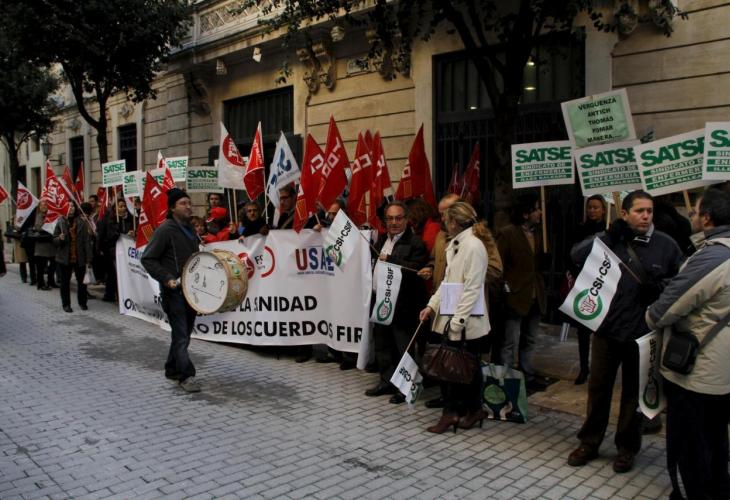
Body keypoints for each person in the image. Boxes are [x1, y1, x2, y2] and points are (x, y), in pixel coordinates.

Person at [567, 190, 683, 473]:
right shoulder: (612, 239)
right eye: (639, 211)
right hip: (607, 330)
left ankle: (627, 448)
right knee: (598, 390)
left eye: (649, 211)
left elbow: (681, 281)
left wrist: (659, 288)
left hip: (642, 333)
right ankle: (589, 442)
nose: (646, 216)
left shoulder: (666, 245)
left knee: (633, 395)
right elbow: (576, 255)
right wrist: (608, 235)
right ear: (624, 213)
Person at [646, 188, 730, 500]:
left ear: (706, 218)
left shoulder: (713, 256)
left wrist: (650, 314)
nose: (691, 216)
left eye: (694, 211)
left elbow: (663, 310)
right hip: (722, 371)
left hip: (697, 371)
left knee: (691, 446)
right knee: (717, 440)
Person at [418, 194, 502, 409]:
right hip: (451, 313)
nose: (442, 220)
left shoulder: (473, 246)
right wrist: (431, 306)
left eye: (445, 216)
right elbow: (447, 280)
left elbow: (472, 288)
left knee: (466, 366)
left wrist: (457, 322)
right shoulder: (456, 243)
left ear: (454, 221)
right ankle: (461, 411)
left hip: (465, 319)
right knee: (456, 366)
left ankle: (464, 411)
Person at [364, 201, 429, 403]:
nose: (394, 222)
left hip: (403, 306)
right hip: (381, 303)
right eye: (390, 218)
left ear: (406, 219)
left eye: (398, 218)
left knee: (403, 348)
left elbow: (416, 270)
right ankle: (386, 381)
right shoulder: (381, 240)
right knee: (383, 346)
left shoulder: (416, 243)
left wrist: (392, 260)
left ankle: (405, 387)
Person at [141, 188, 201, 393]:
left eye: (189, 202)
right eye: (183, 203)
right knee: (182, 334)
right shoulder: (165, 230)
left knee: (183, 333)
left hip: (190, 291)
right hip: (173, 292)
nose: (188, 206)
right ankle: (186, 375)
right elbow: (148, 259)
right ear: (172, 208)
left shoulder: (190, 229)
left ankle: (171, 368)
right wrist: (167, 279)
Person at [496, 191, 548, 391]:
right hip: (516, 296)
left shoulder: (540, 234)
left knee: (530, 338)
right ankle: (507, 378)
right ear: (526, 213)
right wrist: (506, 287)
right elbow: (499, 265)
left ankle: (527, 373)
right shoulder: (508, 233)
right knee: (510, 340)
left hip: (535, 294)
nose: (540, 213)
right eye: (536, 209)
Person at [571, 195, 608, 385]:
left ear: (604, 210)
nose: (592, 211)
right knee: (583, 330)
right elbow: (572, 255)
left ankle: (600, 369)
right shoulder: (580, 229)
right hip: (584, 281)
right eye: (590, 207)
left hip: (602, 281)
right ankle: (584, 368)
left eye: (596, 207)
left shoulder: (610, 230)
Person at [53, 203, 94, 312]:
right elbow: (54, 240)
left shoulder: (81, 222)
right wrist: (59, 238)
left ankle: (83, 302)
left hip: (79, 257)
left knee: (82, 282)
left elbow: (86, 241)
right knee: (65, 282)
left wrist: (89, 257)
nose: (71, 208)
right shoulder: (61, 221)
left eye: (73, 206)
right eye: (69, 206)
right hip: (64, 257)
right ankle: (66, 304)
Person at [97, 199, 135, 302]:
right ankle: (111, 295)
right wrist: (123, 235)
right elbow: (109, 236)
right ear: (115, 208)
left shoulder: (130, 218)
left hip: (125, 251)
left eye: (124, 206)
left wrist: (132, 234)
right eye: (120, 206)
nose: (123, 208)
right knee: (112, 274)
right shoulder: (108, 219)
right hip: (111, 250)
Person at [31, 200, 56, 290]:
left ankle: (51, 281)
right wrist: (49, 227)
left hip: (51, 245)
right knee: (41, 267)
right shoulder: (39, 216)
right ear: (39, 207)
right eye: (42, 205)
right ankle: (40, 284)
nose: (44, 206)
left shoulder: (51, 215)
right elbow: (38, 227)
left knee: (53, 265)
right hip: (41, 246)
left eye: (46, 205)